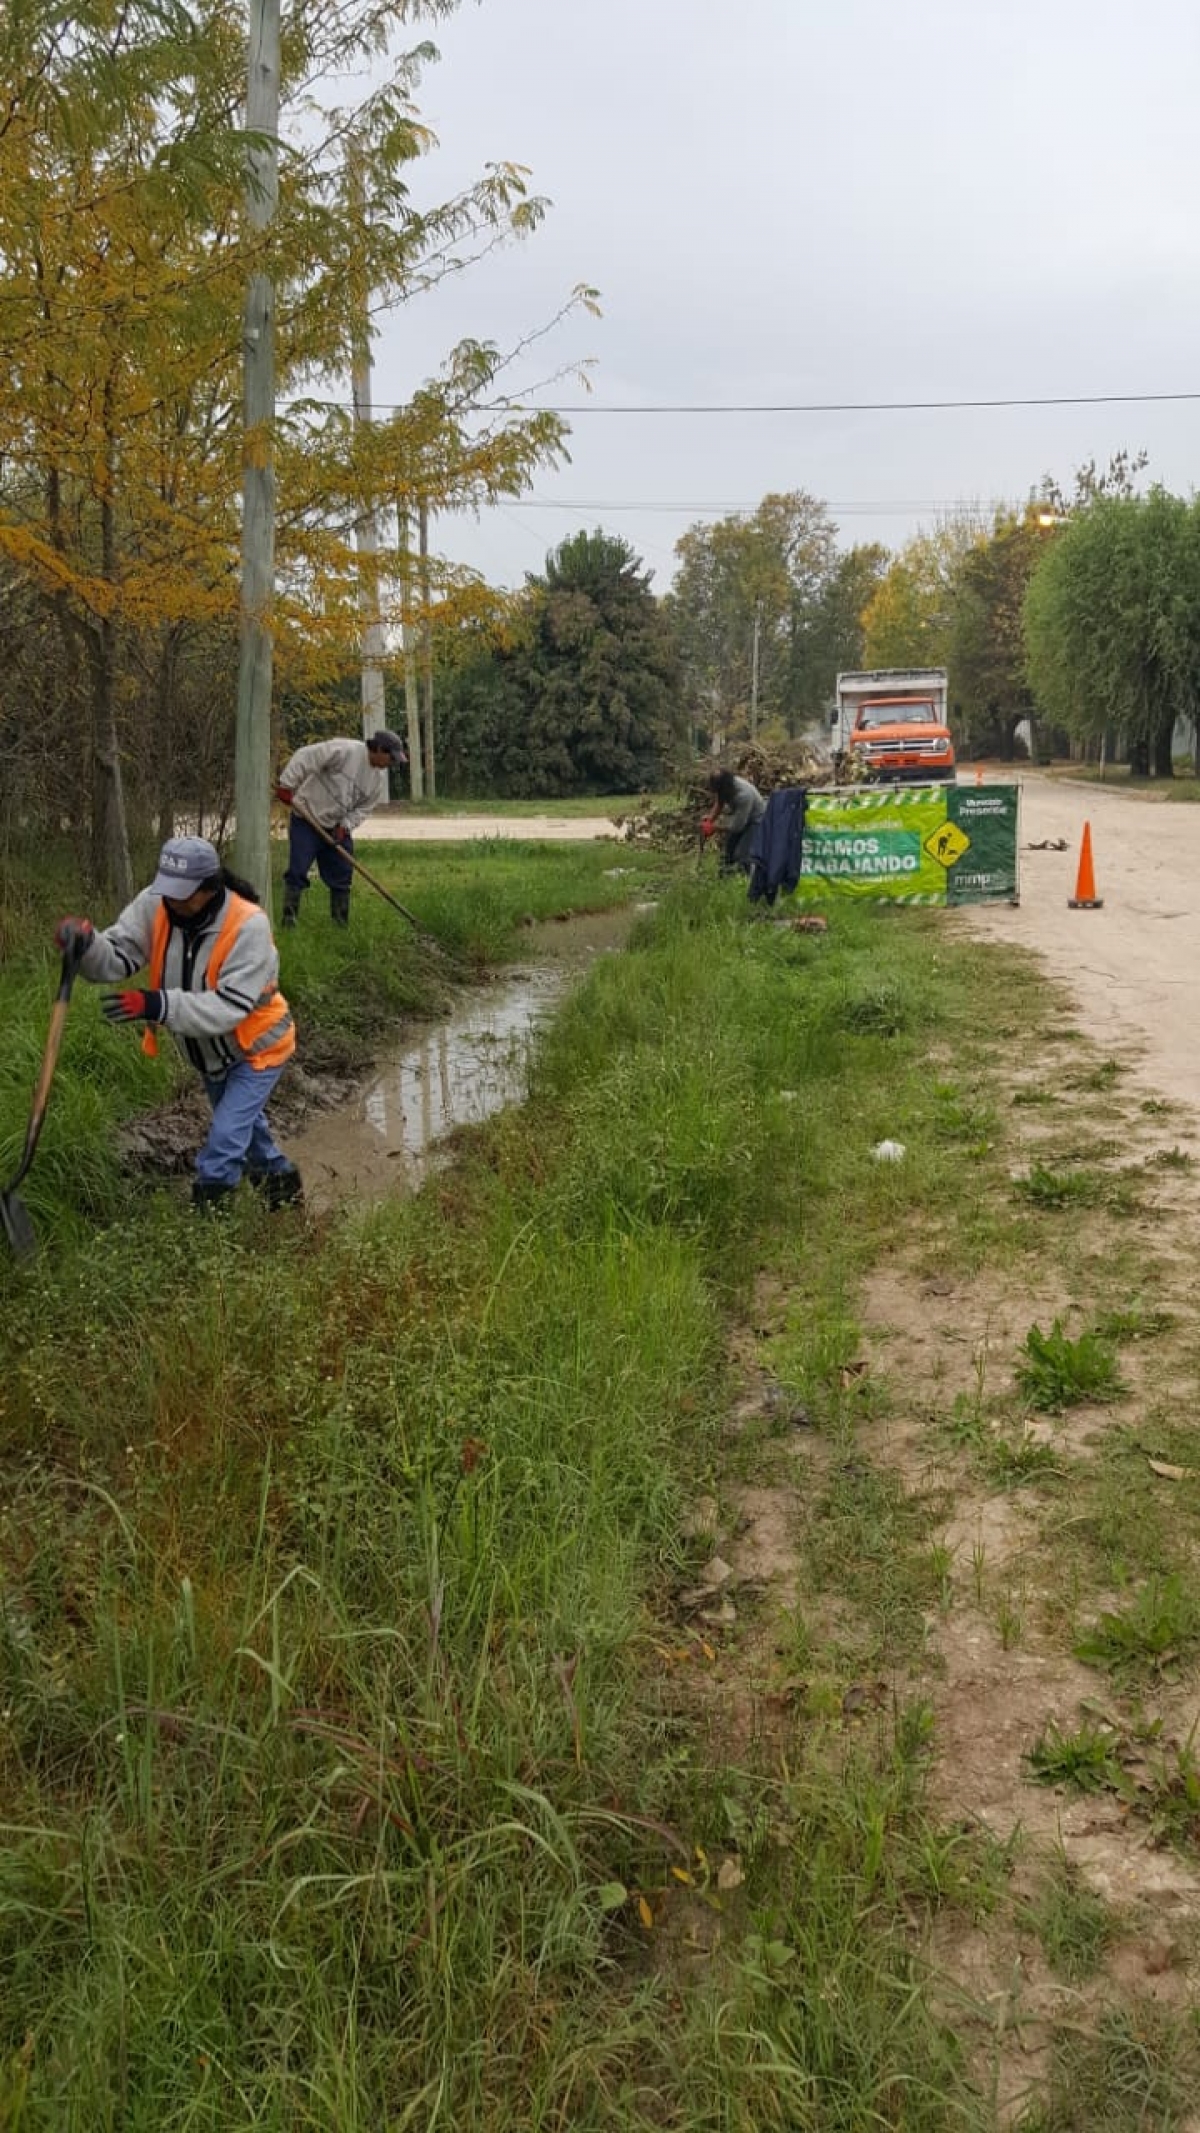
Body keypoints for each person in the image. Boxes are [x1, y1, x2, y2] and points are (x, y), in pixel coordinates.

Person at [54, 836, 302, 1215]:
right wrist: (87, 944)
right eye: (167, 890)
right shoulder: (155, 903)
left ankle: (210, 1238)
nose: (172, 901)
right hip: (209, 1053)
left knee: (223, 1141)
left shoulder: (248, 926)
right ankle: (284, 1191)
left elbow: (229, 1007)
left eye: (183, 893)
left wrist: (157, 1004)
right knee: (247, 1135)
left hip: (257, 1049)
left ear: (209, 888)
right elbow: (117, 957)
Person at [276, 729, 408, 927]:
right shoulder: (345, 750)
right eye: (391, 758)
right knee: (298, 870)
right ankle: (289, 919)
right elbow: (306, 756)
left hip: (335, 827)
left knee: (342, 873)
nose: (392, 763)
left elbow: (363, 809)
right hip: (307, 817)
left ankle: (340, 923)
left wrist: (345, 826)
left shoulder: (376, 781)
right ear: (380, 749)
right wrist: (287, 784)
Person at [701, 769, 767, 875]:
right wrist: (710, 819)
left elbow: (737, 827)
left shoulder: (744, 795)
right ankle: (725, 877)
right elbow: (720, 802)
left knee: (742, 854)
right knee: (728, 851)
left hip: (756, 820)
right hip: (741, 816)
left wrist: (714, 828)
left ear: (724, 787)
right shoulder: (725, 786)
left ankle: (745, 880)